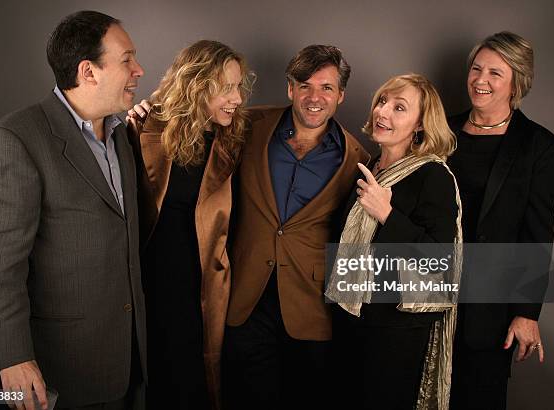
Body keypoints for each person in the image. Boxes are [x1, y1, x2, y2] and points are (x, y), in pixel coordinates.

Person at [0, 10, 146, 410]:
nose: (139, 69)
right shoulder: (17, 138)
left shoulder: (121, 136)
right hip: (60, 370)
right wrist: (12, 355)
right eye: (127, 59)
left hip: (128, 361)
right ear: (88, 71)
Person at [222, 44, 369, 410]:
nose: (314, 97)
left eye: (326, 88)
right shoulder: (249, 126)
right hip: (246, 299)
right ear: (290, 88)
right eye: (305, 85)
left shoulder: (358, 160)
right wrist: (150, 111)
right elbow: (192, 122)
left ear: (340, 96)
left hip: (311, 306)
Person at [126, 40, 252, 410]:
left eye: (239, 86)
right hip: (152, 285)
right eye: (226, 88)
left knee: (200, 383)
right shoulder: (147, 126)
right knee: (156, 382)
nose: (237, 98)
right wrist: (137, 117)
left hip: (208, 286)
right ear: (196, 85)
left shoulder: (235, 135)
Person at [326, 73, 462, 410]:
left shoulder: (432, 175)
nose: (383, 112)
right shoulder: (368, 168)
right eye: (382, 101)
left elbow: (439, 261)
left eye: (399, 107)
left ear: (419, 125)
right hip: (351, 317)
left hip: (396, 330)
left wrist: (388, 214)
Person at [448, 32, 554, 410]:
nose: (481, 80)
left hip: (490, 313)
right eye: (476, 69)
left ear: (517, 82)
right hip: (429, 301)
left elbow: (537, 235)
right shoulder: (438, 132)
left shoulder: (540, 146)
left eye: (495, 73)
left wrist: (527, 312)